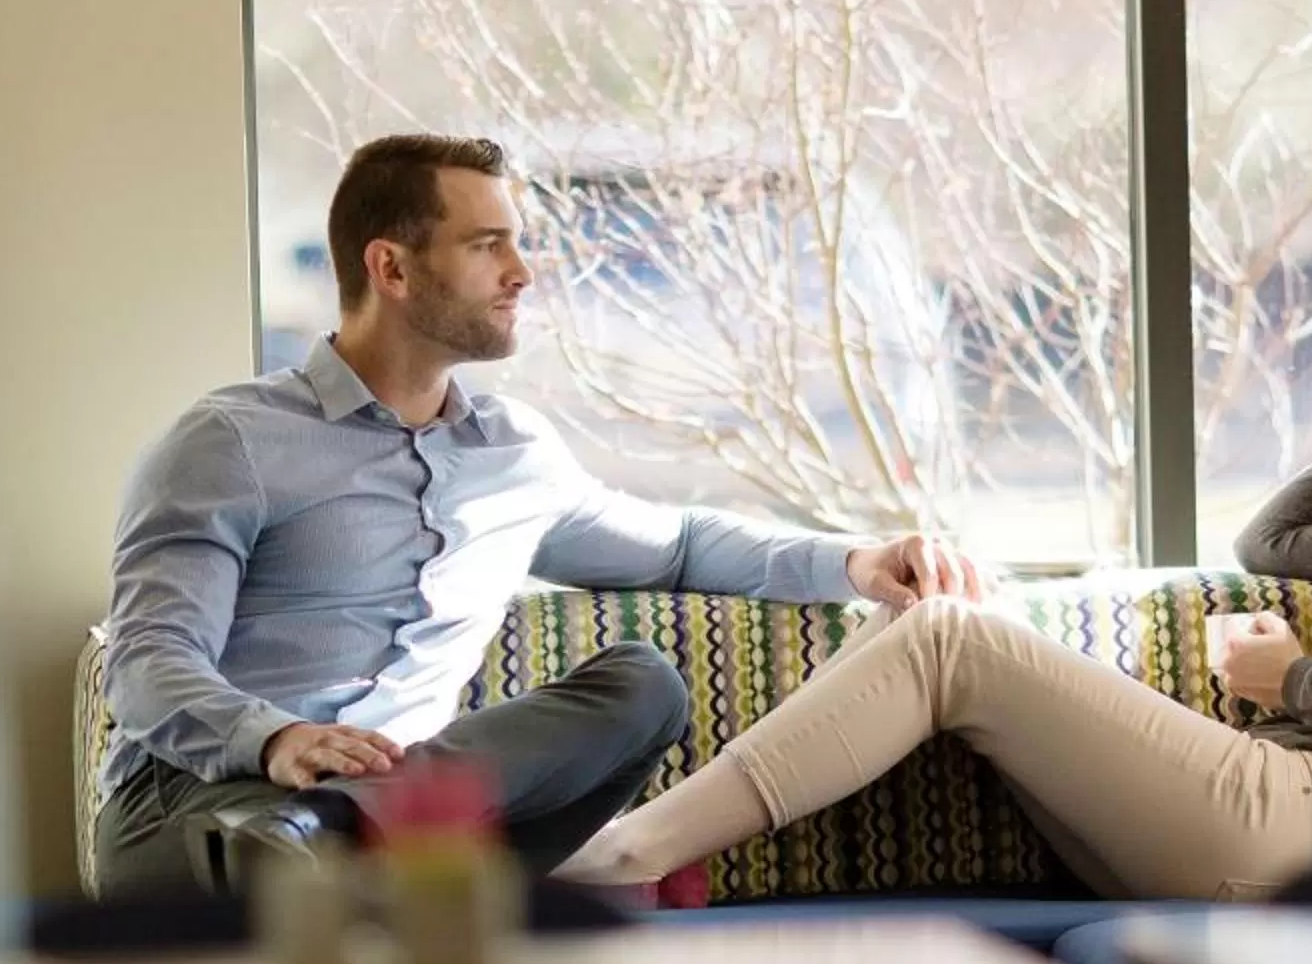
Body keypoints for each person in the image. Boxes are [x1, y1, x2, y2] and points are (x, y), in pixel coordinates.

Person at [554, 234, 1312, 901]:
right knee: (921, 631)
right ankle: (660, 861)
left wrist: (1289, 683)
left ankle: (627, 854)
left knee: (948, 638)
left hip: (1310, 827)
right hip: (1268, 819)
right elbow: (1267, 540)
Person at [95, 133, 977, 898]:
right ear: (390, 267)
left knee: (642, 687)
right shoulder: (230, 442)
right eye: (487, 246)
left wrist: (855, 562)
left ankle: (338, 844)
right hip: (202, 809)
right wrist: (276, 738)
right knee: (286, 846)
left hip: (400, 816)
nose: (521, 273)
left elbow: (676, 545)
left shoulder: (514, 455)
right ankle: (330, 854)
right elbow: (146, 665)